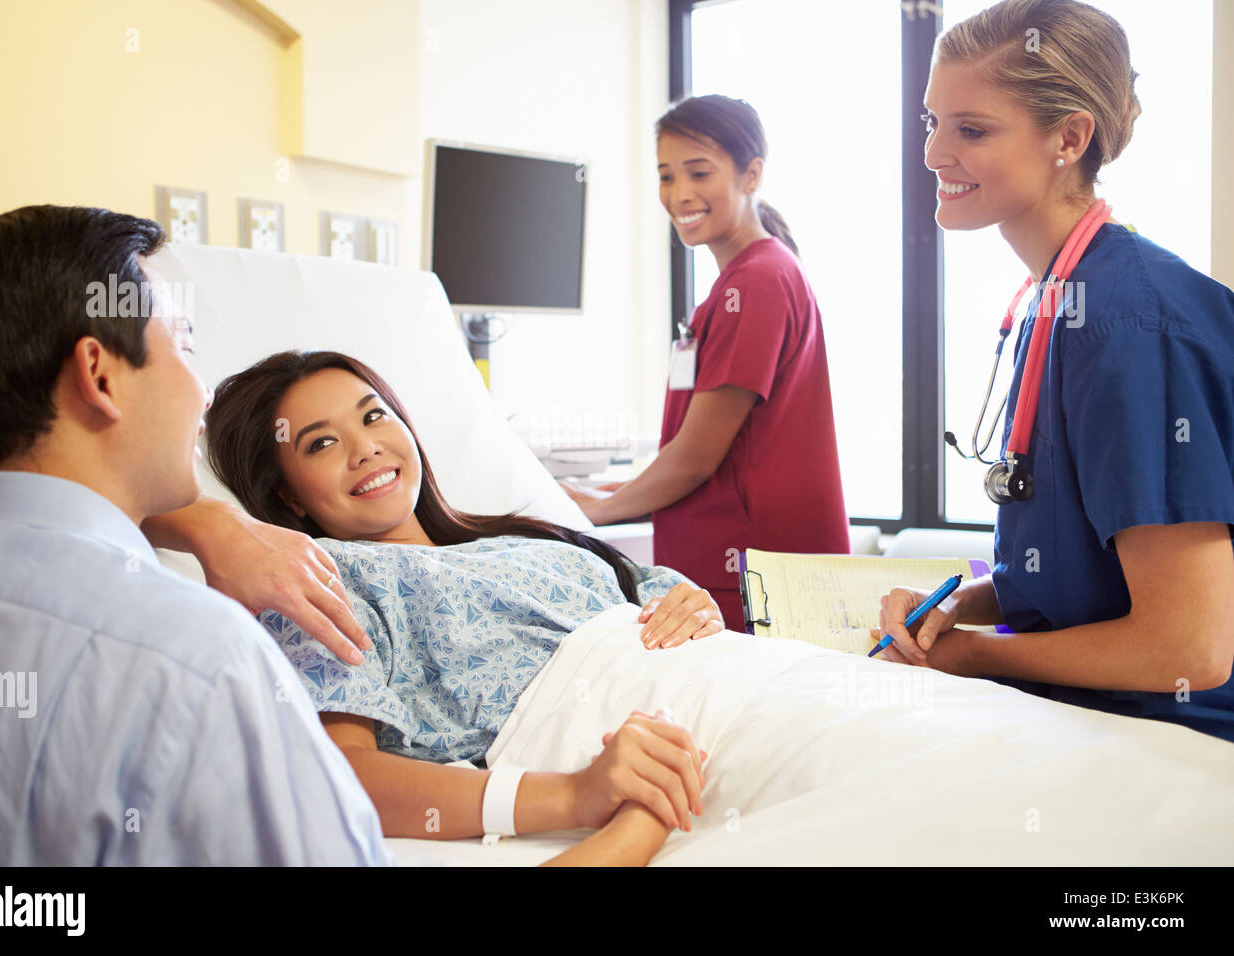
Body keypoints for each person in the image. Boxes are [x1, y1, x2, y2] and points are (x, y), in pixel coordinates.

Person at [0, 204, 396, 864]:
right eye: (184, 347)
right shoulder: (201, 661)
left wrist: (214, 522)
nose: (203, 392)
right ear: (99, 376)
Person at [205, 350, 727, 864]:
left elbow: (651, 587)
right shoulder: (325, 579)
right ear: (290, 497)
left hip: (728, 692)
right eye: (321, 443)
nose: (365, 449)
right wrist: (573, 794)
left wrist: (693, 606)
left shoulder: (526, 538)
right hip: (671, 760)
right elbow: (340, 771)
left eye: (373, 415)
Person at [874, 0, 1234, 742]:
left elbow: (1190, 648)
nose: (935, 153)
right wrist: (954, 607)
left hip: (1182, 745)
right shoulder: (1059, 301)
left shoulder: (1129, 322)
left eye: (971, 129)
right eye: (931, 122)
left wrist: (974, 657)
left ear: (1070, 137)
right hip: (1090, 727)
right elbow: (1076, 576)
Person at [560, 94, 849, 632]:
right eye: (666, 176)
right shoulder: (738, 285)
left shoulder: (758, 281)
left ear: (751, 174)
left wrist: (597, 511)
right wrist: (598, 494)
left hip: (753, 586)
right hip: (737, 579)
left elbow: (695, 459)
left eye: (699, 172)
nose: (679, 194)